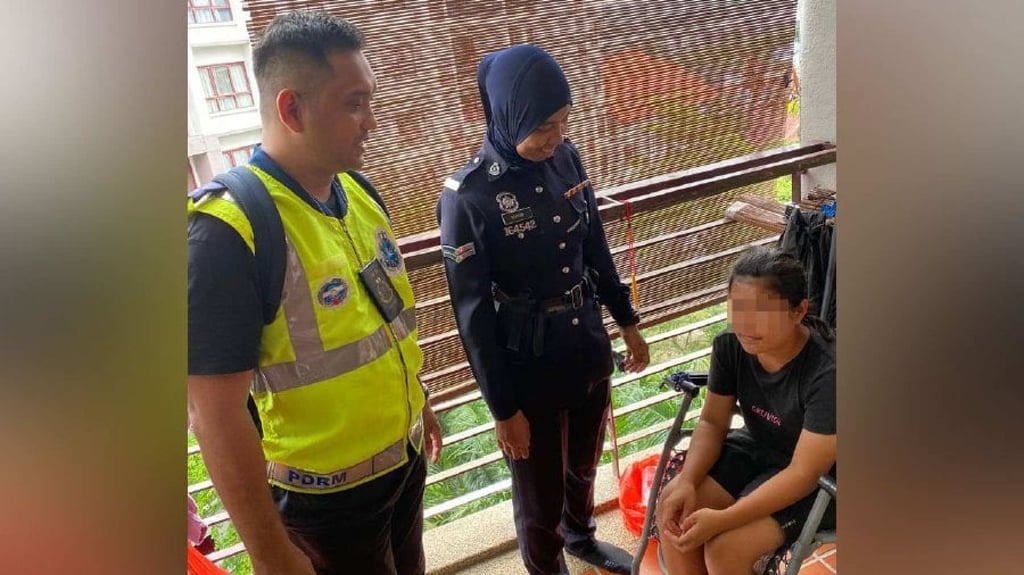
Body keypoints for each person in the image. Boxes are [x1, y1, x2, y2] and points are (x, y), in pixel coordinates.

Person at [187, 11, 441, 575]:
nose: (371, 121)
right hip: (327, 506)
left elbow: (379, 320)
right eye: (354, 104)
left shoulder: (357, 191)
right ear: (292, 109)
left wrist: (417, 401)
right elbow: (214, 415)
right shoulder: (229, 231)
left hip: (401, 465)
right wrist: (271, 553)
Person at [436, 44, 651, 575]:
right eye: (543, 127)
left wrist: (627, 323)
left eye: (563, 122)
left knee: (584, 464)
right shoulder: (468, 196)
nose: (555, 138)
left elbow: (595, 246)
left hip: (585, 343)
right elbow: (472, 316)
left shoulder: (566, 158)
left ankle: (581, 537)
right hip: (527, 365)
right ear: (508, 116)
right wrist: (502, 409)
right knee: (539, 493)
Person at [655, 246, 836, 575]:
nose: (744, 325)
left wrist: (724, 519)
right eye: (736, 309)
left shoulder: (829, 373)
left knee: (726, 549)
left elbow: (803, 473)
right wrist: (688, 480)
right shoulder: (730, 345)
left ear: (799, 311)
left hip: (823, 477)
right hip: (759, 444)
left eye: (761, 313)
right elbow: (712, 422)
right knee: (677, 510)